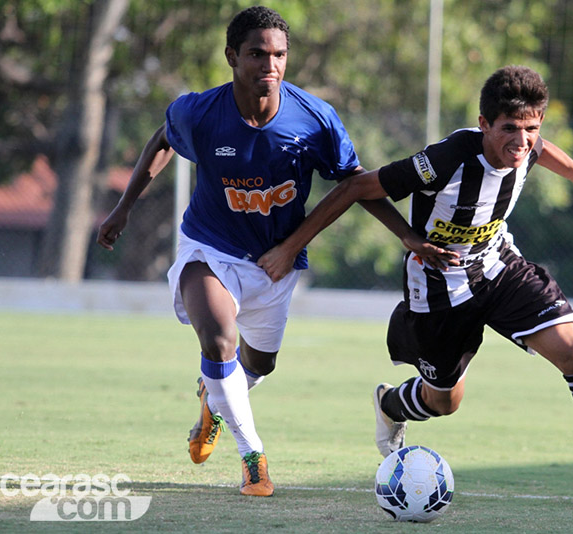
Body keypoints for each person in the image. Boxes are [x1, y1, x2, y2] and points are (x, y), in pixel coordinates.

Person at [257, 65, 573, 505]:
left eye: (531, 128)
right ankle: (390, 405)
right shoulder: (446, 159)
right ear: (483, 124)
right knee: (444, 402)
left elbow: (543, 150)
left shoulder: (528, 144)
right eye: (510, 130)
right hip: (439, 285)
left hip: (498, 266)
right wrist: (294, 248)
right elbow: (356, 187)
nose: (521, 142)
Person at [96, 6, 453, 497]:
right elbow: (162, 138)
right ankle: (253, 459)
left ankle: (214, 399)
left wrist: (406, 236)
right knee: (218, 342)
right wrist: (123, 208)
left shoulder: (314, 120)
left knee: (258, 365)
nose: (271, 64)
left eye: (280, 54)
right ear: (231, 57)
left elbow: (354, 183)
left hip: (275, 263)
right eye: (257, 54)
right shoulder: (199, 112)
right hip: (210, 248)